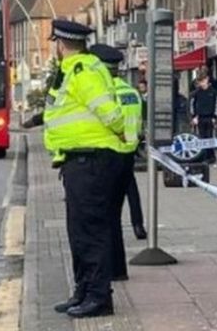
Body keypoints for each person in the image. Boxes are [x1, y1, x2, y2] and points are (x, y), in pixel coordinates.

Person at [42, 20, 126, 319]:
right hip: (77, 160)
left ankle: (99, 298)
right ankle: (83, 290)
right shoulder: (72, 71)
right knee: (79, 232)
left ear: (60, 44)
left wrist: (117, 129)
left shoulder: (83, 72)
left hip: (91, 160)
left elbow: (111, 113)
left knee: (91, 232)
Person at [90, 44, 147, 281]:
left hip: (107, 158)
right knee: (115, 213)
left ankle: (110, 270)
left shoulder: (103, 93)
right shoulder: (132, 92)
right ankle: (119, 268)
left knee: (103, 217)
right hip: (128, 158)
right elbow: (139, 125)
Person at [190, 74, 217, 140]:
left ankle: (209, 150)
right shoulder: (196, 93)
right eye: (200, 81)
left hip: (210, 117)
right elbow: (192, 105)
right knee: (201, 136)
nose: (202, 83)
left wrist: (215, 117)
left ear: (207, 79)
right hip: (200, 118)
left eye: (203, 81)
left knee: (210, 136)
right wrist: (194, 116)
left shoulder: (214, 92)